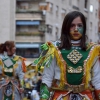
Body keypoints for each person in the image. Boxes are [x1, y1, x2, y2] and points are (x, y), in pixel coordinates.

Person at [34, 11, 100, 100]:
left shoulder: (93, 50)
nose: (76, 29)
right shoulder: (54, 49)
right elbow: (47, 78)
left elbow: (97, 80)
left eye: (80, 25)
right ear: (66, 27)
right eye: (72, 25)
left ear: (84, 28)